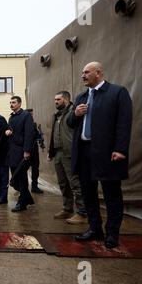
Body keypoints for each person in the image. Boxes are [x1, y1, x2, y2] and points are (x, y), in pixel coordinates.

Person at [67, 62, 132, 249]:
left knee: (112, 194)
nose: (83, 75)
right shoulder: (81, 97)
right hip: (84, 151)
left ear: (98, 73)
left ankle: (112, 234)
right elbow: (70, 123)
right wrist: (76, 114)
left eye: (86, 72)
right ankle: (94, 229)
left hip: (107, 153)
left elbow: (124, 123)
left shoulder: (117, 93)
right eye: (82, 72)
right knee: (88, 194)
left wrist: (120, 149)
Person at [47, 91, 87, 224]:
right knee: (63, 183)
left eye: (58, 99)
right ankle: (67, 208)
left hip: (70, 153)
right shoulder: (56, 115)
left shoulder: (73, 112)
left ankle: (82, 212)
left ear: (65, 99)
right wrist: (50, 151)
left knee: (75, 183)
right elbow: (54, 133)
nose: (55, 102)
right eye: (54, 99)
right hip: (58, 153)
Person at [5, 96, 35, 212]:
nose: (11, 104)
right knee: (15, 179)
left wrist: (27, 150)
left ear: (20, 103)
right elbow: (12, 131)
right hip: (12, 151)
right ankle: (27, 198)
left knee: (20, 177)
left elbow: (29, 133)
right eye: (10, 102)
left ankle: (22, 203)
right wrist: (8, 132)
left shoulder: (26, 115)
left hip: (22, 151)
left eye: (14, 102)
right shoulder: (11, 117)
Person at [0, 112, 11, 205]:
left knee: (3, 176)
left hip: (2, 154)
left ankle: (3, 197)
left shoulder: (0, 119)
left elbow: (2, 137)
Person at [26, 109, 44, 194]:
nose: (31, 116)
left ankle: (34, 186)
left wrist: (40, 137)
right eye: (30, 115)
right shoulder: (24, 124)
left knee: (35, 168)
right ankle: (22, 186)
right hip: (26, 150)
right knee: (23, 169)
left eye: (32, 115)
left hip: (34, 150)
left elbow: (36, 136)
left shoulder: (34, 124)